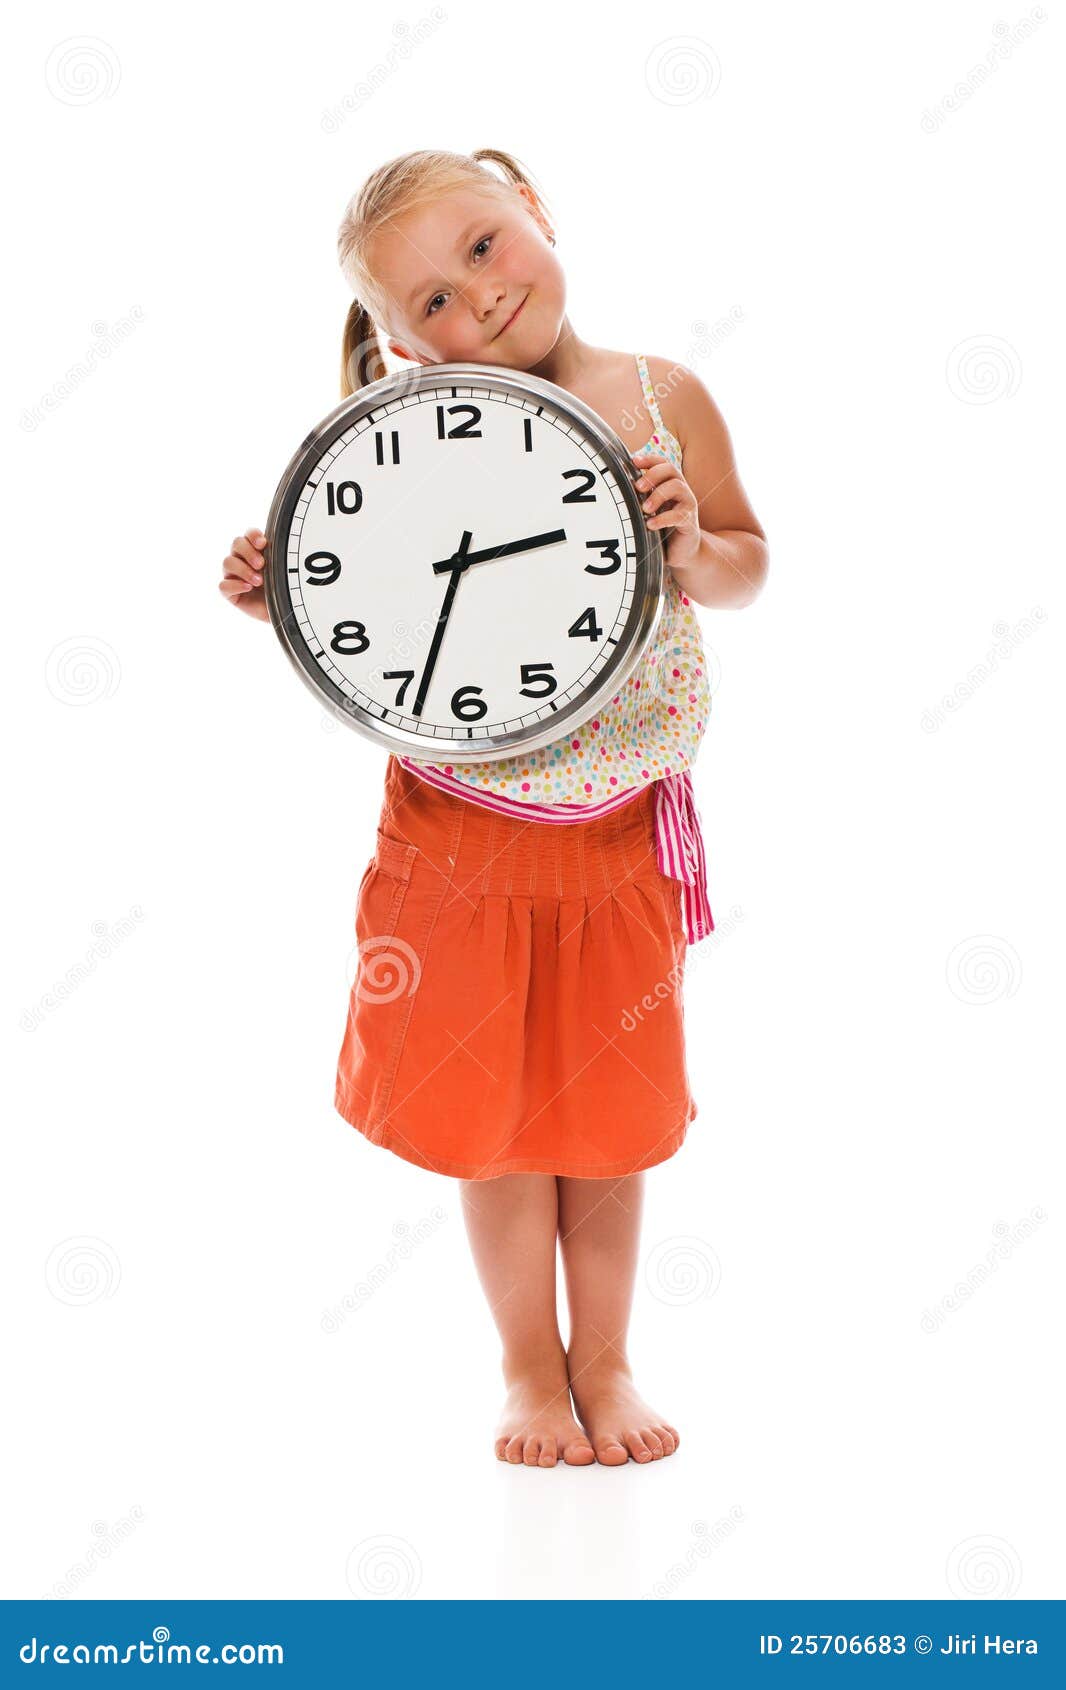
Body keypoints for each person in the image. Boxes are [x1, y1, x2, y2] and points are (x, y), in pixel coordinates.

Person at [218, 147, 768, 1469]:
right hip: (457, 834)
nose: (478, 300)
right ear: (404, 352)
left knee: (608, 1116)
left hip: (617, 830)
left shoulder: (660, 395)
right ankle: (529, 1364)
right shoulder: (401, 455)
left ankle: (606, 1355)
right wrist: (282, 591)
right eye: (433, 306)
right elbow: (374, 614)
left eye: (482, 248)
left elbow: (750, 563)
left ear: (537, 213)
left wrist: (692, 548)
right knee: (498, 1119)